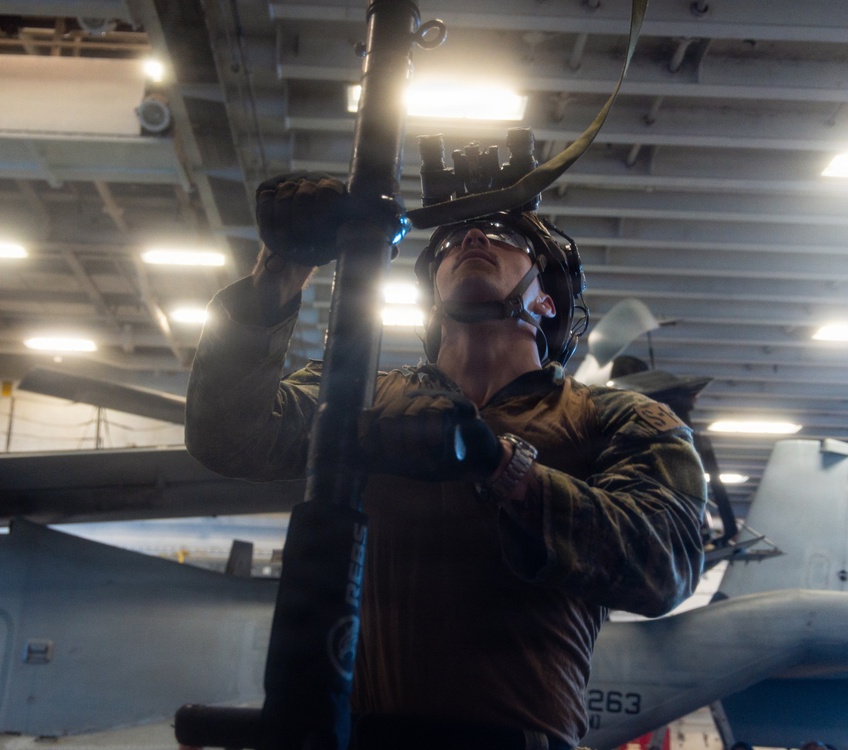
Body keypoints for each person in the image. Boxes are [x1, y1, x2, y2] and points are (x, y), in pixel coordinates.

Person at [185, 173, 707, 750]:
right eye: (449, 242)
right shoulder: (363, 395)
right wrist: (281, 268)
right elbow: (230, 435)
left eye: (505, 236)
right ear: (431, 298)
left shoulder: (613, 417)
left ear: (546, 300)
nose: (472, 239)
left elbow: (667, 561)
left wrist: (501, 467)